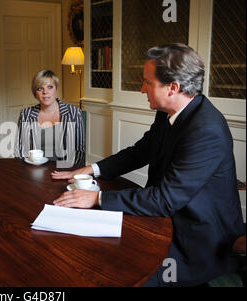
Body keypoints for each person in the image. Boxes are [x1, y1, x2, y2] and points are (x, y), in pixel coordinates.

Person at [52, 43, 244, 286]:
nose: (142, 88)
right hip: (165, 219)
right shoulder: (168, 111)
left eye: (148, 82)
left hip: (198, 240)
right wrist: (93, 169)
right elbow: (141, 151)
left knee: (119, 272)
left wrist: (97, 198)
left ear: (173, 87)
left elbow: (164, 200)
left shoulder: (207, 130)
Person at [15, 69, 85, 167]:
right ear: (35, 93)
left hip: (65, 169)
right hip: (34, 169)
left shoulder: (73, 113)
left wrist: (69, 172)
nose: (45, 92)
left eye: (50, 87)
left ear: (56, 89)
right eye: (40, 88)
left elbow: (79, 151)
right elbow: (20, 149)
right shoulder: (26, 114)